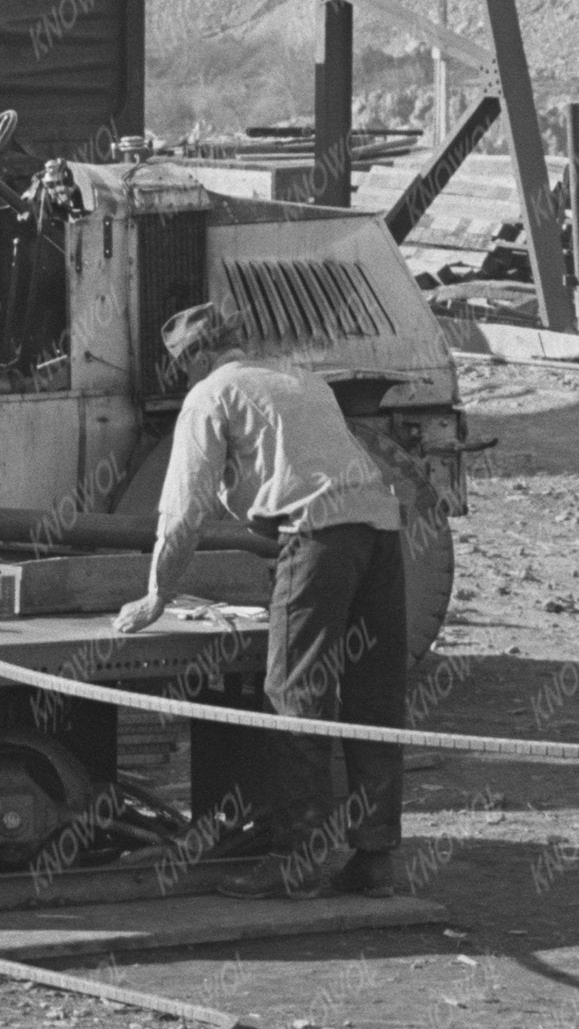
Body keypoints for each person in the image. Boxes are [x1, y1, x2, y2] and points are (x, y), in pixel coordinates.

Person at [108, 296, 408, 896]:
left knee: (294, 692)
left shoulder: (210, 395)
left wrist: (156, 597)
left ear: (192, 359)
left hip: (318, 535)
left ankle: (297, 861)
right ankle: (375, 860)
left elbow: (182, 514)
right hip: (383, 532)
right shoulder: (300, 379)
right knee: (372, 696)